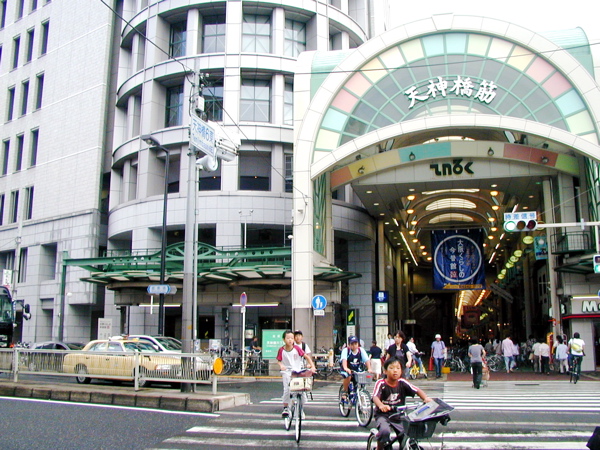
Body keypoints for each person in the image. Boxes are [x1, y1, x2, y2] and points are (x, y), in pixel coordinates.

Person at [372, 357, 432, 450]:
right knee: (384, 432)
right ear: (385, 371)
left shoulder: (402, 382)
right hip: (383, 415)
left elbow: (416, 390)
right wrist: (381, 405)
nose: (395, 370)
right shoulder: (381, 383)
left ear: (401, 371)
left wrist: (425, 398)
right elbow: (375, 397)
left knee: (407, 436)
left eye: (398, 368)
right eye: (391, 368)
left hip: (399, 415)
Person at [276, 330, 316, 418]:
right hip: (287, 372)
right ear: (284, 339)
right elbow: (279, 360)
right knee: (287, 389)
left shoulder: (297, 348)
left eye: (291, 338)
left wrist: (312, 366)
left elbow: (306, 356)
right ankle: (286, 407)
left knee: (302, 390)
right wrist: (281, 365)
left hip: (298, 371)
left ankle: (300, 408)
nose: (290, 340)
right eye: (288, 338)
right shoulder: (281, 350)